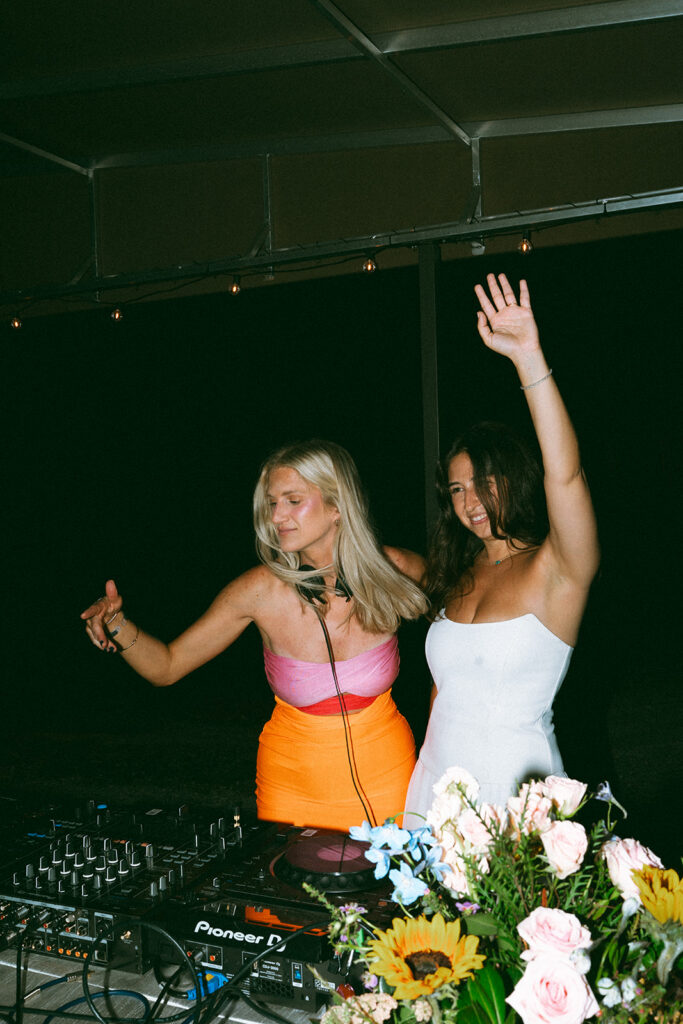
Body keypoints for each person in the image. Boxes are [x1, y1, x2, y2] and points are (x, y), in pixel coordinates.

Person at [81, 439, 426, 832]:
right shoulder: (258, 592)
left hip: (390, 774)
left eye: (293, 500)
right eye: (271, 503)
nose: (277, 516)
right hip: (291, 783)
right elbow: (167, 666)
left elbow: (470, 617)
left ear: (337, 507)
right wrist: (118, 624)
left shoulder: (397, 569)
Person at [404, 273, 600, 822]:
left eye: (485, 482)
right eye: (458, 489)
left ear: (514, 479)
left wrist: (529, 359)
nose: (471, 502)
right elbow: (444, 697)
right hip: (435, 789)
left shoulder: (557, 569)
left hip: (518, 796)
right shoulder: (458, 572)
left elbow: (566, 476)